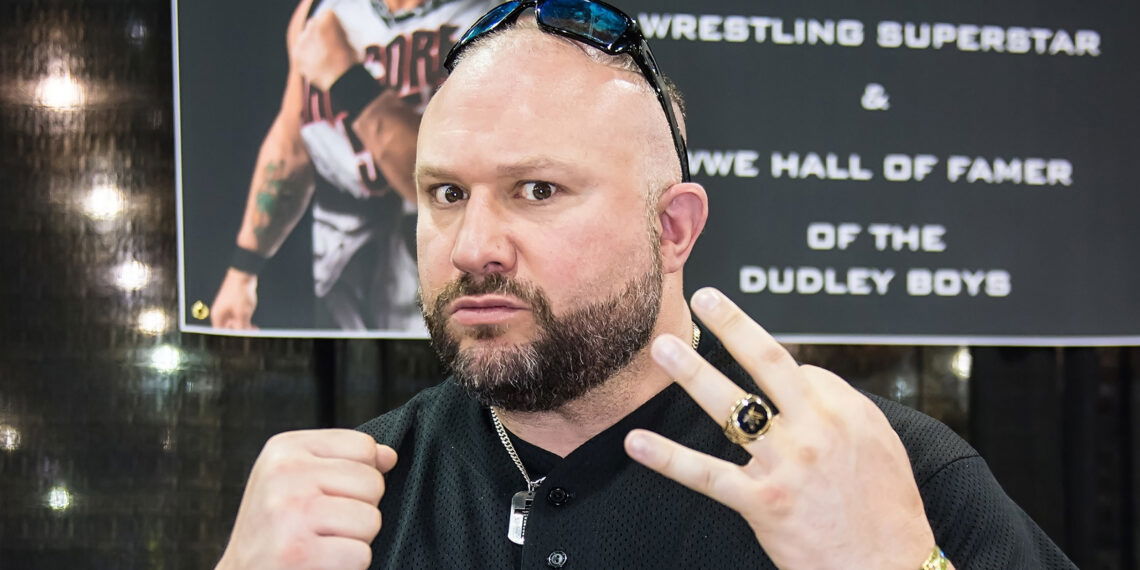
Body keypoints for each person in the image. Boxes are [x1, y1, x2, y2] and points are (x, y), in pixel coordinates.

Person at [215, 1, 1077, 568]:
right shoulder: (359, 501)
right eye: (446, 194)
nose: (473, 244)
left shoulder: (875, 473)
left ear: (673, 229)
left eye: (537, 190)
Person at [209, 0, 495, 333]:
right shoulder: (319, 10)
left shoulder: (492, 16)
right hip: (336, 260)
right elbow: (291, 150)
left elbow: (452, 187)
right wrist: (243, 271)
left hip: (433, 255)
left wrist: (346, 78)